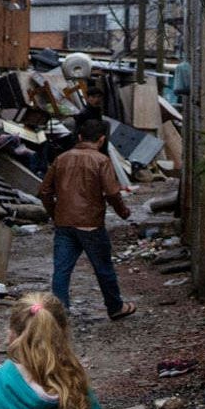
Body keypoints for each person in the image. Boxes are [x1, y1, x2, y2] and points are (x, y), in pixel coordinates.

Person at [40, 119, 137, 321]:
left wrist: (54, 213)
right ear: (101, 140)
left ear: (80, 137)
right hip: (91, 223)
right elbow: (112, 193)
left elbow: (45, 191)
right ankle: (115, 307)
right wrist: (123, 212)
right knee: (103, 269)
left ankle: (59, 313)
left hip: (64, 222)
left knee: (61, 270)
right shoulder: (101, 160)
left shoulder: (61, 159)